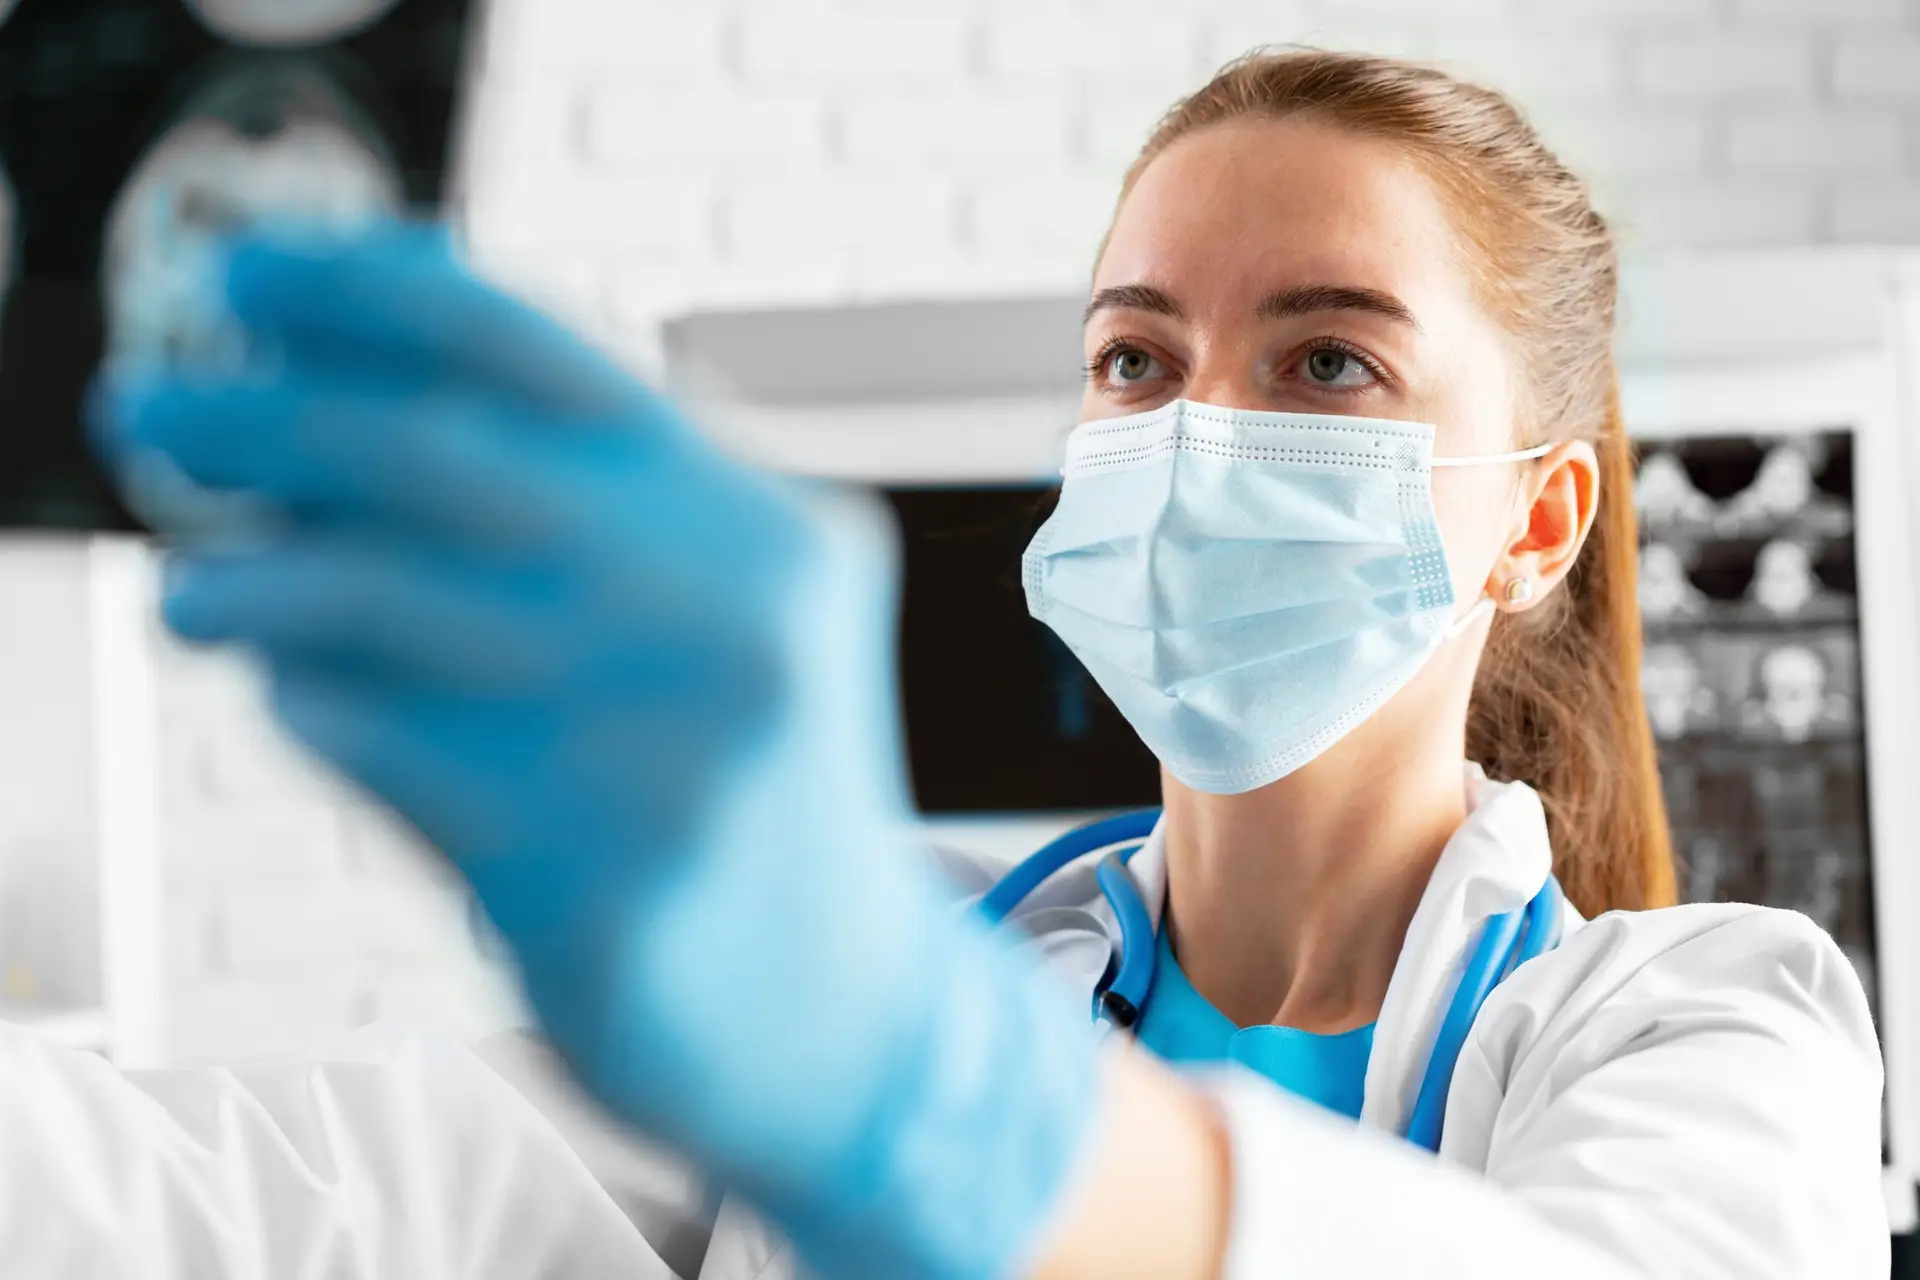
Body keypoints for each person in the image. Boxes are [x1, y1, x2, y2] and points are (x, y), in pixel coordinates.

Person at [12, 49, 1886, 1279]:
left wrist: (922, 1096)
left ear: (1539, 520)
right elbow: (280, 1195)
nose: (1194, 429)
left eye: (1327, 361)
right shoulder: (915, 955)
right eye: (1138, 360)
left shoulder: (1707, 1025)